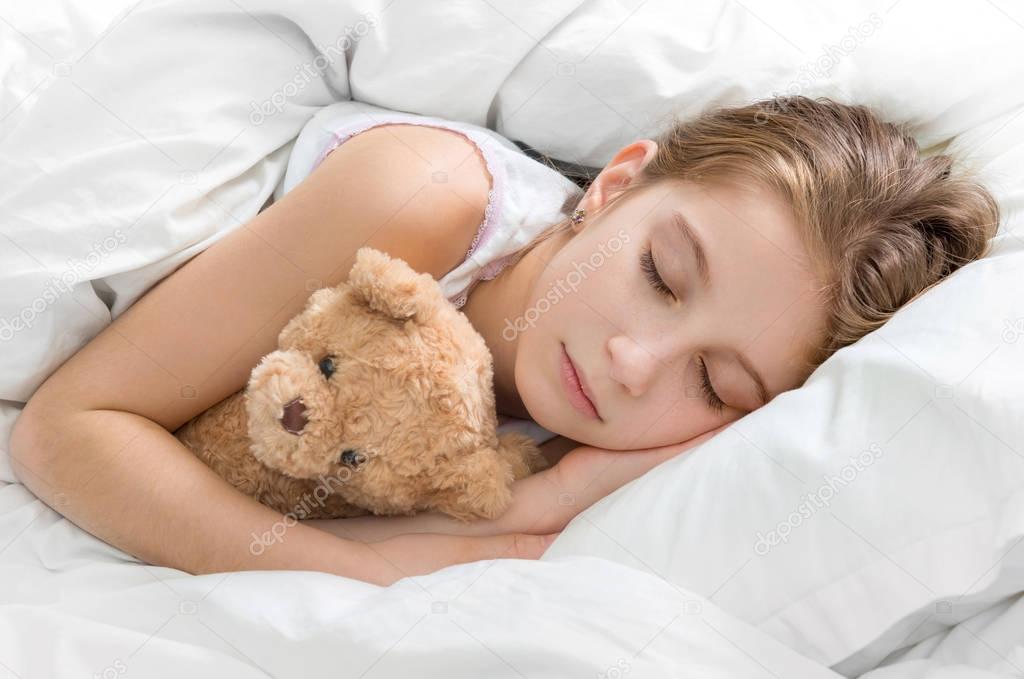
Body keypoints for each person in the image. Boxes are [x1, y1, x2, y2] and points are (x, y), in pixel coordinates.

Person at [10, 95, 999, 587]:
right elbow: (71, 427)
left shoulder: (653, 456)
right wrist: (360, 576)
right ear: (615, 186)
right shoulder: (421, 204)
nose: (635, 362)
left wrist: (558, 495)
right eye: (660, 273)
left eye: (718, 381)